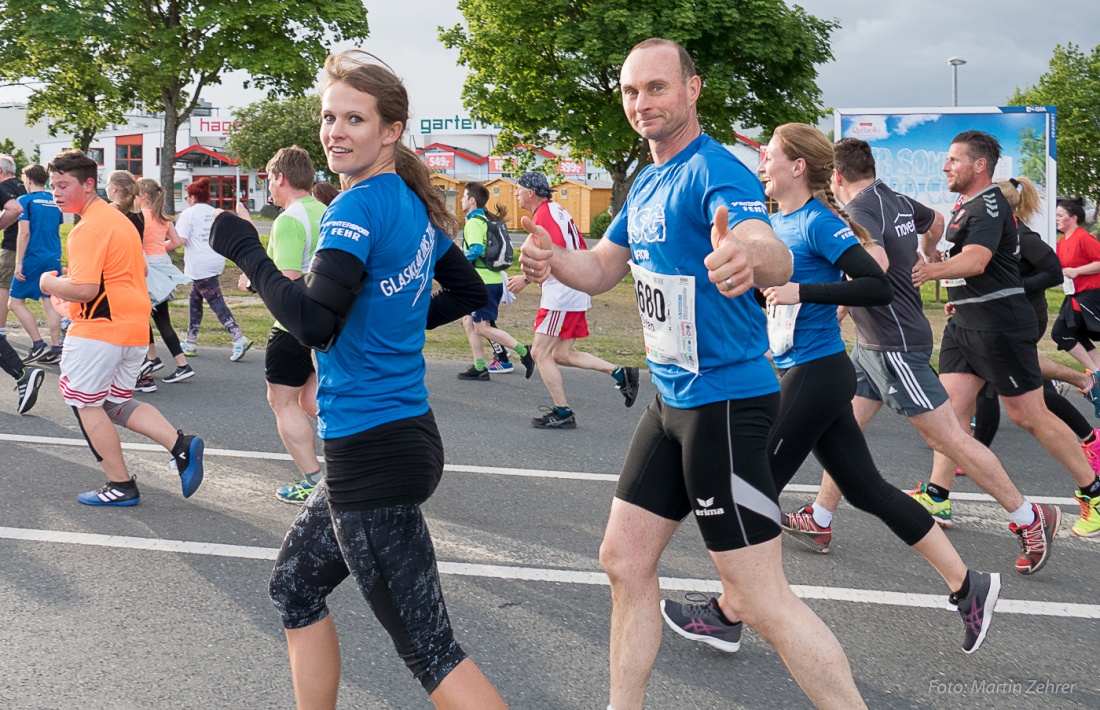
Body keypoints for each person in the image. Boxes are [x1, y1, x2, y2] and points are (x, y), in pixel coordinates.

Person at [520, 38, 864, 709]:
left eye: (656, 87)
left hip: (729, 406)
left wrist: (748, 259)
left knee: (759, 599)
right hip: (671, 400)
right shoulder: (648, 181)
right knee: (623, 561)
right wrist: (553, 261)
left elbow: (769, 251)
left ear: (692, 89)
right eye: (630, 92)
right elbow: (600, 269)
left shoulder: (719, 173)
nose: (641, 103)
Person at [208, 50, 507, 709]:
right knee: (294, 587)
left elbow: (312, 323)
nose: (336, 131)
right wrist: (391, 326)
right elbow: (462, 291)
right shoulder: (407, 203)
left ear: (391, 130)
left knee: (431, 651)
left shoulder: (354, 210)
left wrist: (245, 249)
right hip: (394, 442)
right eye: (329, 117)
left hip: (372, 453)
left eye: (355, 119)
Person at [662, 125, 1000, 658]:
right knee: (867, 491)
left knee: (753, 488)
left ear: (798, 166)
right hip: (806, 370)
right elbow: (770, 300)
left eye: (769, 156)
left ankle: (729, 613)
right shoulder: (774, 224)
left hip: (818, 373)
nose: (762, 164)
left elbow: (877, 285)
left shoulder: (820, 222)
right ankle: (968, 585)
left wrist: (804, 290)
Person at [774, 140, 1060, 576]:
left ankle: (1028, 516)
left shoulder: (864, 210)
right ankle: (820, 518)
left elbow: (872, 265)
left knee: (948, 438)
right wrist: (926, 253)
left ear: (835, 175)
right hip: (872, 343)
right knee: (845, 424)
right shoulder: (892, 197)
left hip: (894, 344)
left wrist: (844, 300)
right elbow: (937, 220)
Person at [911, 130, 1097, 540]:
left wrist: (932, 272)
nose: (945, 166)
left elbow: (977, 261)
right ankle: (938, 494)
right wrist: (933, 252)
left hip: (999, 327)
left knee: (1028, 414)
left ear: (979, 166)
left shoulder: (991, 206)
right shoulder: (966, 206)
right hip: (965, 325)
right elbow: (963, 262)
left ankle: (1093, 491)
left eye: (954, 159)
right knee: (950, 413)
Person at [40, 150, 204, 506]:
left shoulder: (87, 228)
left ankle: (121, 484)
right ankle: (181, 445)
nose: (56, 193)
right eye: (54, 185)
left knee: (85, 405)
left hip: (99, 332)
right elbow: (137, 273)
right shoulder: (120, 221)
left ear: (88, 184)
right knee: (116, 403)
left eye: (64, 185)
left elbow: (85, 289)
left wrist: (48, 284)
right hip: (133, 330)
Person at [971, 180, 1100, 475]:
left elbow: (1052, 272)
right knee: (1028, 389)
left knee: (993, 383)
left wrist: (1017, 289)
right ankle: (1092, 435)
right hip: (999, 316)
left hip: (1024, 317)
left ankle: (975, 456)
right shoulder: (1000, 234)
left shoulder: (1023, 236)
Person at [508, 171, 639, 429]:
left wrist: (526, 279)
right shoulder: (555, 210)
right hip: (573, 290)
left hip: (562, 294)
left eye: (518, 189)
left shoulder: (544, 216)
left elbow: (552, 255)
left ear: (531, 193)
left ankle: (563, 412)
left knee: (539, 352)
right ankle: (620, 373)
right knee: (561, 354)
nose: (516, 193)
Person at [254, 145, 326, 505]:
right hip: (327, 319)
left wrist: (256, 280)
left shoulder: (288, 219)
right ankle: (362, 455)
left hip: (292, 325)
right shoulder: (326, 211)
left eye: (269, 180)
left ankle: (314, 479)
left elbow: (286, 282)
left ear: (281, 178)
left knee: (280, 400)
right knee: (312, 397)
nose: (269, 188)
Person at [456, 181, 534, 382]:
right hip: (490, 279)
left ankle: (524, 352)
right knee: (468, 321)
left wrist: (454, 262)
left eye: (464, 197)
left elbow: (475, 250)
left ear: (472, 201)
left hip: (483, 282)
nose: (461, 200)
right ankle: (480, 367)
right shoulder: (484, 220)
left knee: (482, 327)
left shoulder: (474, 222)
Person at [176, 178, 252, 361]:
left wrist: (157, 247)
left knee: (216, 302)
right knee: (195, 299)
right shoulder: (215, 212)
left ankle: (238, 337)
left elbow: (180, 240)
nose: (187, 199)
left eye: (187, 196)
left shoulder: (188, 214)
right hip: (215, 260)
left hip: (199, 264)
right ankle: (190, 341)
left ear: (193, 197)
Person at [134, 177, 193, 389]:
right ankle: (169, 361)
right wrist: (159, 247)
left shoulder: (140, 217)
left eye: (136, 194)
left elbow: (137, 244)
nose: (134, 197)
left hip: (148, 269)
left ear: (145, 196)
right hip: (163, 267)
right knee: (160, 319)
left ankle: (159, 359)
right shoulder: (163, 217)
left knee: (143, 316)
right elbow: (176, 242)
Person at [11, 164, 64, 364]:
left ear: (29, 180)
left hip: (33, 256)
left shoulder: (24, 200)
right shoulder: (54, 200)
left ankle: (38, 344)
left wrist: (19, 262)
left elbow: (24, 233)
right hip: (53, 256)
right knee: (49, 301)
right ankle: (56, 347)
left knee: (14, 302)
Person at [0, 154, 28, 339]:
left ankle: (1, 329)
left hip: (12, 244)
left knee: (2, 286)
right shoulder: (24, 186)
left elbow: (14, 210)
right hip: (32, 246)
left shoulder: (3, 188)